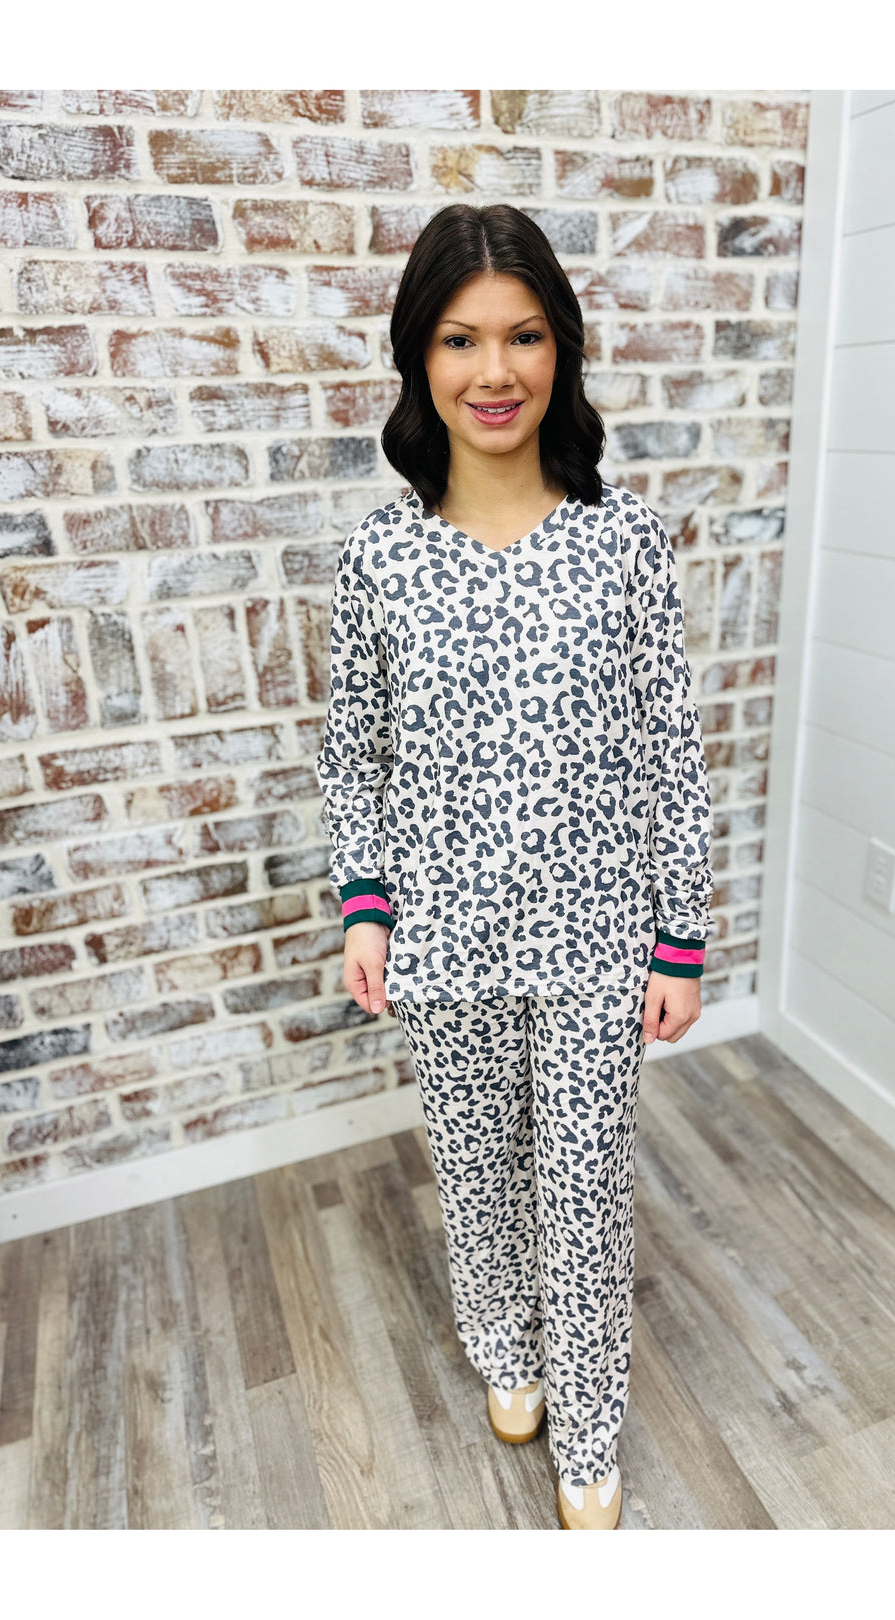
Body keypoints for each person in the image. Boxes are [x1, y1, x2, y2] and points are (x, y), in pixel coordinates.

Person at [315, 202, 715, 1530]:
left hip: (599, 945)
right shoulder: (380, 558)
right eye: (461, 338)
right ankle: (506, 1354)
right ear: (419, 358)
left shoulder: (622, 544)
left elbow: (669, 753)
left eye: (524, 335)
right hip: (442, 945)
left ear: (563, 350)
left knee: (586, 1195)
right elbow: (355, 757)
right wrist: (366, 909)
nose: (495, 370)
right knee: (476, 1177)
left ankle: (589, 1433)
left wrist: (678, 935)